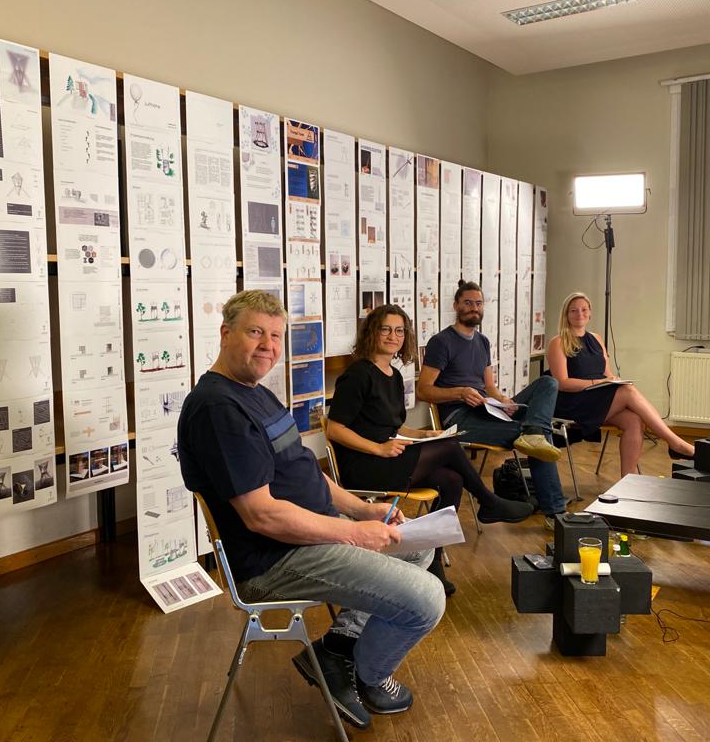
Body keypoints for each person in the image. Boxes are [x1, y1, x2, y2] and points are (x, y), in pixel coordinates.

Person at [177, 290, 445, 731]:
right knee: (427, 599)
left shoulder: (254, 392)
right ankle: (367, 674)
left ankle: (337, 650)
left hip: (309, 536)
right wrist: (354, 534)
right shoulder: (218, 409)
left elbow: (307, 472)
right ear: (225, 334)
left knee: (418, 547)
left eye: (275, 336)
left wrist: (362, 511)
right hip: (275, 559)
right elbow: (262, 516)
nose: (268, 346)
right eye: (255, 332)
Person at [327, 304, 534, 596]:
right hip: (365, 465)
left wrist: (423, 434)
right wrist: (378, 449)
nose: (393, 336)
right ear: (372, 332)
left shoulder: (393, 375)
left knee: (452, 479)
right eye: (386, 329)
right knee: (449, 447)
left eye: (400, 331)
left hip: (390, 456)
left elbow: (392, 427)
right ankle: (489, 502)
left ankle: (433, 560)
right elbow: (334, 430)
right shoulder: (358, 374)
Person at [416, 280, 568, 530]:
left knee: (548, 383)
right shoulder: (441, 342)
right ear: (456, 306)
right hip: (460, 417)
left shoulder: (483, 342)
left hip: (488, 409)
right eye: (468, 303)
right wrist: (460, 393)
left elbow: (490, 388)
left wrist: (504, 402)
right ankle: (556, 512)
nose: (474, 308)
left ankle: (534, 432)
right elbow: (423, 390)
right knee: (538, 437)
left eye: (478, 303)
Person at [546, 292, 694, 476]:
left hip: (596, 399)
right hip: (573, 403)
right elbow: (562, 383)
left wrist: (613, 380)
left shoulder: (596, 339)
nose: (580, 314)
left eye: (584, 310)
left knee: (634, 420)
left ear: (590, 313)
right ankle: (675, 443)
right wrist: (598, 382)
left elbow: (607, 374)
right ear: (566, 314)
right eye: (574, 310)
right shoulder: (558, 342)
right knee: (627, 392)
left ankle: (629, 478)